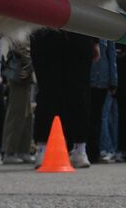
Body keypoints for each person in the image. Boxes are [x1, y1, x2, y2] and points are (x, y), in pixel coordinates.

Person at [31, 30, 97, 168]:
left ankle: (44, 149)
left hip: (47, 30)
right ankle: (78, 148)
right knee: (77, 92)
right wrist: (95, 41)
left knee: (49, 91)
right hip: (75, 30)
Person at [1, 36, 35, 165]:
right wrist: (30, 65)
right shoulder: (25, 27)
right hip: (20, 71)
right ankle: (10, 151)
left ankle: (22, 150)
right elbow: (23, 47)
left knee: (26, 114)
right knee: (17, 113)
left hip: (23, 71)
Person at [86, 37, 118, 164]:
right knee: (88, 115)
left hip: (102, 81)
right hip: (88, 78)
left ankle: (95, 151)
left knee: (98, 117)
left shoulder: (107, 34)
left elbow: (111, 55)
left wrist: (113, 81)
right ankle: (86, 149)